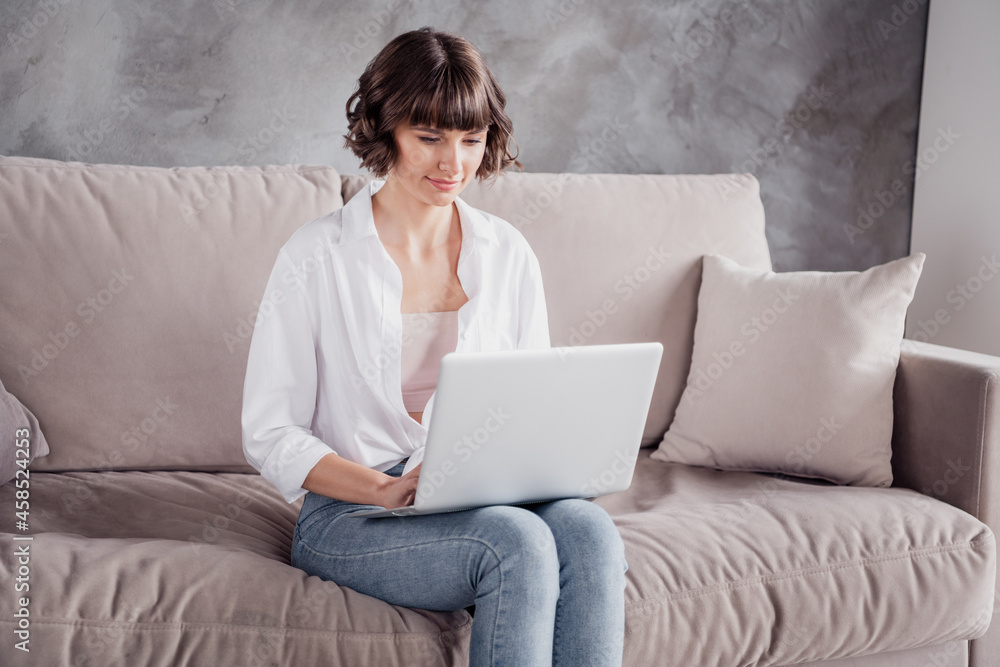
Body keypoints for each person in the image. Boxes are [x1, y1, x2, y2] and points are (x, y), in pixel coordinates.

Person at [241, 27, 628, 667]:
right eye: (430, 138)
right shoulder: (316, 256)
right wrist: (383, 489)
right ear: (385, 129)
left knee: (588, 531)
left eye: (470, 141)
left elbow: (532, 405)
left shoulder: (507, 253)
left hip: (480, 495)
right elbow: (270, 432)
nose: (454, 165)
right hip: (351, 516)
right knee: (518, 544)